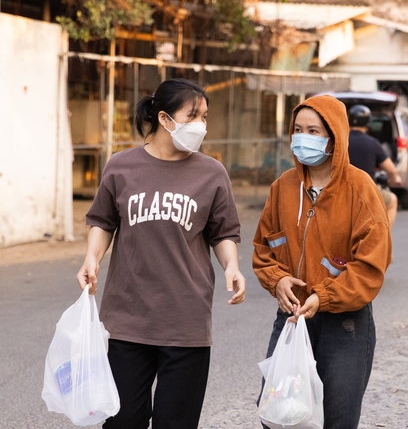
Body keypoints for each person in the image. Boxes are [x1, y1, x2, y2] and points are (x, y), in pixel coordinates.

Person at [76, 78, 246, 429]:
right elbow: (103, 221)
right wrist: (92, 257)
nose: (202, 124)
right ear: (166, 119)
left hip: (186, 322)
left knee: (176, 423)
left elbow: (224, 232)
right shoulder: (121, 166)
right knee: (122, 421)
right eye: (194, 115)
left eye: (205, 116)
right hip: (127, 320)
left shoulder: (212, 173)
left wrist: (232, 266)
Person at [252, 95, 392, 429]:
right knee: (279, 414)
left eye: (313, 131)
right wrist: (278, 280)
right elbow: (263, 248)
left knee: (337, 418)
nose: (303, 137)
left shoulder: (361, 189)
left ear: (335, 137)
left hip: (345, 325)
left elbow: (371, 266)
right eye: (298, 130)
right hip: (291, 319)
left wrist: (324, 297)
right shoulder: (283, 188)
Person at [347, 104, 403, 227]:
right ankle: (382, 236)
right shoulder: (373, 143)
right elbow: (391, 170)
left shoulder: (339, 141)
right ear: (368, 124)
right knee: (392, 200)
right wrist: (394, 179)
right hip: (366, 193)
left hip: (340, 191)